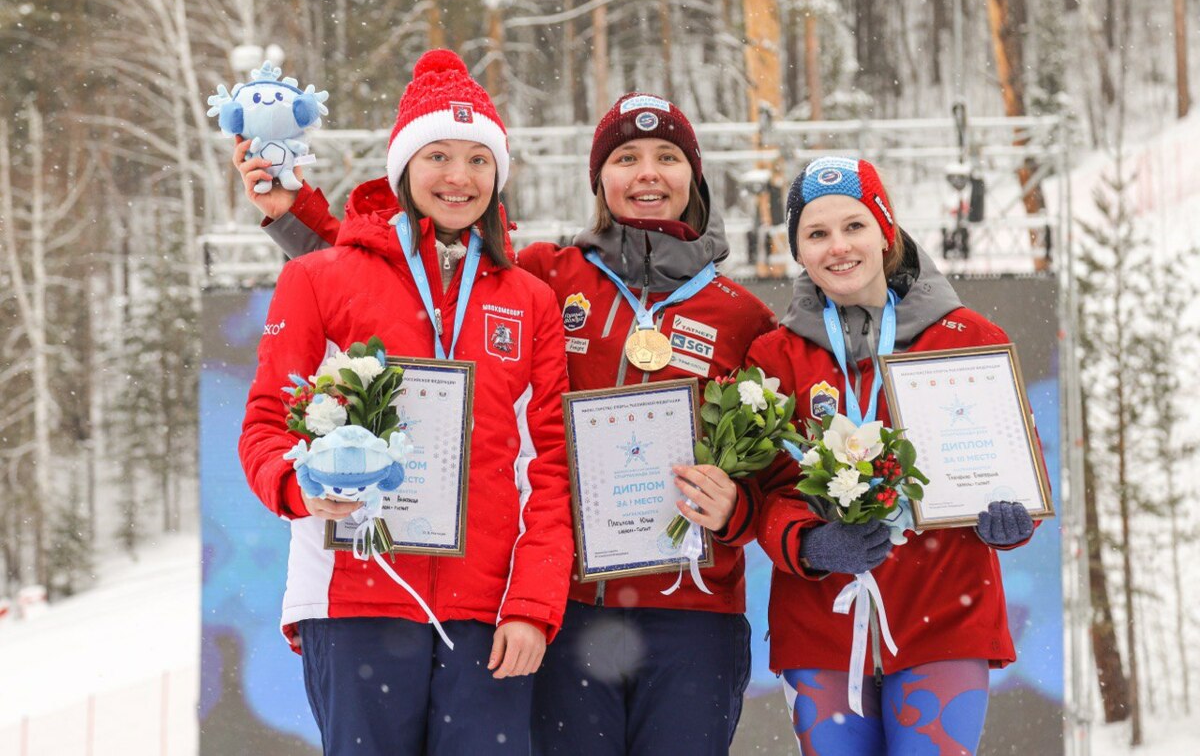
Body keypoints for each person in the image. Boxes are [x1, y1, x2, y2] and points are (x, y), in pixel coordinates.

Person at [240, 91, 777, 754]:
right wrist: (299, 222)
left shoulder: (745, 316)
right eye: (626, 156)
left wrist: (738, 507)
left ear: (694, 177)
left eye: (667, 156)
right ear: (597, 178)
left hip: (693, 612)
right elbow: (406, 277)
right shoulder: (548, 277)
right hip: (570, 609)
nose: (647, 173)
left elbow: (773, 467)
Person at [238, 49, 574, 755]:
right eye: (439, 156)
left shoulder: (528, 300)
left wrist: (534, 607)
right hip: (353, 596)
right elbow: (268, 422)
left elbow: (549, 470)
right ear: (402, 169)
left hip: (488, 612)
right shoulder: (319, 280)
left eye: (479, 159)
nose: (459, 176)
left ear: (500, 175)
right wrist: (297, 484)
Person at [746, 156, 1039, 755]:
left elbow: (1015, 467)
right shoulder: (773, 358)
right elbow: (761, 494)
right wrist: (807, 542)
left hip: (944, 617)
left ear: (886, 232)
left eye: (854, 226)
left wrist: (1014, 519)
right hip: (820, 622)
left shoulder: (967, 338)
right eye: (817, 233)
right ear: (798, 250)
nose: (839, 247)